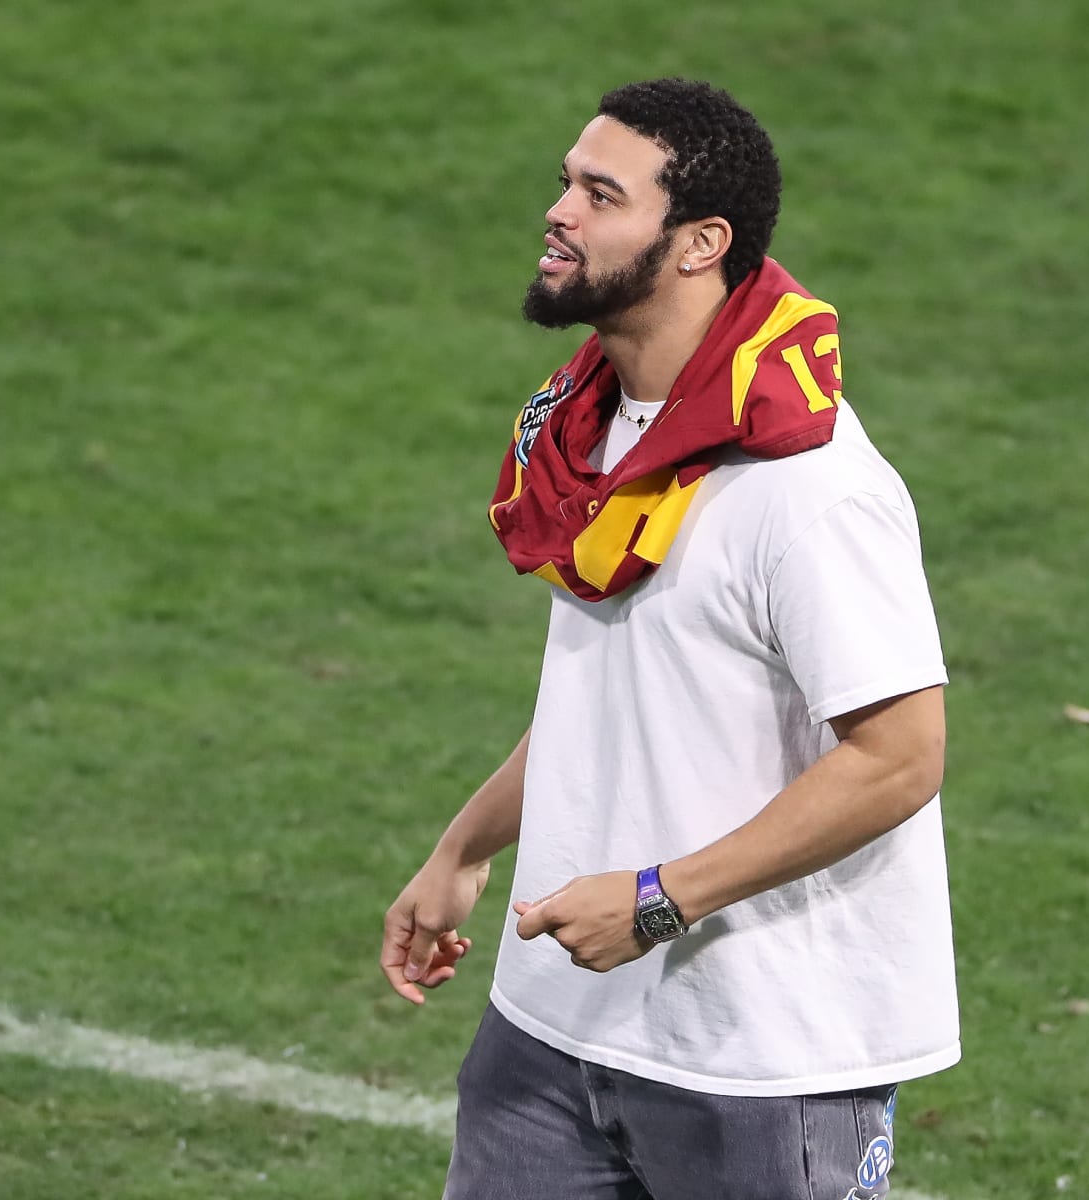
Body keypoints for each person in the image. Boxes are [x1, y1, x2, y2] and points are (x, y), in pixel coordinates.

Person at [381, 78, 959, 1200]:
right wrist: (465, 847)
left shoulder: (810, 490)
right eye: (566, 182)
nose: (561, 211)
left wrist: (660, 897)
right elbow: (623, 700)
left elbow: (901, 758)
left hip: (760, 1051)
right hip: (552, 1019)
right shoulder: (596, 428)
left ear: (700, 244)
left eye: (602, 194)